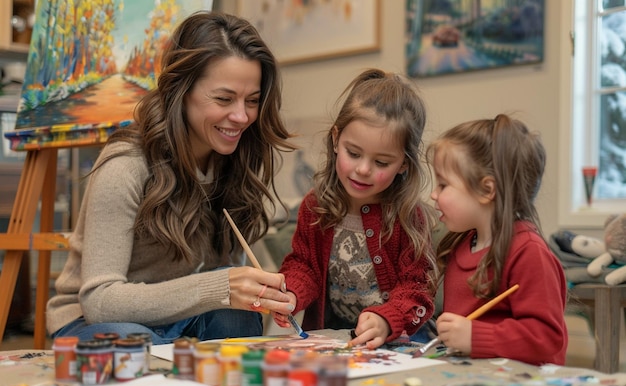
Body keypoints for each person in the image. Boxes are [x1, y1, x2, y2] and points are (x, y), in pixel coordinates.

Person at [46, 11, 297, 344]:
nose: (241, 116)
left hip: (178, 317)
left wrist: (248, 290)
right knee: (134, 342)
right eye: (223, 99)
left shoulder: (235, 159)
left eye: (252, 101)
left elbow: (225, 275)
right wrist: (222, 286)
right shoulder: (126, 165)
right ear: (181, 91)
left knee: (237, 321)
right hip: (94, 319)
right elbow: (100, 302)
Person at [273, 69, 437, 349]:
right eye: (354, 153)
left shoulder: (408, 217)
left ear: (405, 164)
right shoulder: (315, 207)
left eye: (382, 163)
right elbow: (304, 265)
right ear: (336, 139)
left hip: (399, 345)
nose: (363, 169)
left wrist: (388, 320)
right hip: (334, 342)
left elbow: (417, 288)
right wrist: (291, 292)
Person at [428, 114, 568, 366]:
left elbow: (548, 341)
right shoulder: (460, 244)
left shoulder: (528, 253)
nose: (433, 194)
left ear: (487, 190)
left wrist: (477, 337)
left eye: (443, 185)